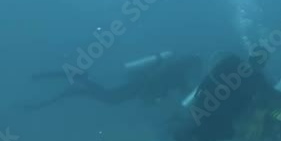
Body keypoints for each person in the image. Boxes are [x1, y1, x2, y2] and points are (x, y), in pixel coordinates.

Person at [25, 51, 203, 109]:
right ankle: (78, 81)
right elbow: (183, 93)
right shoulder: (178, 73)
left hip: (138, 85)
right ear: (190, 64)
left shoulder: (174, 67)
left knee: (109, 97)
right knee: (111, 98)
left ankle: (78, 83)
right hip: (138, 86)